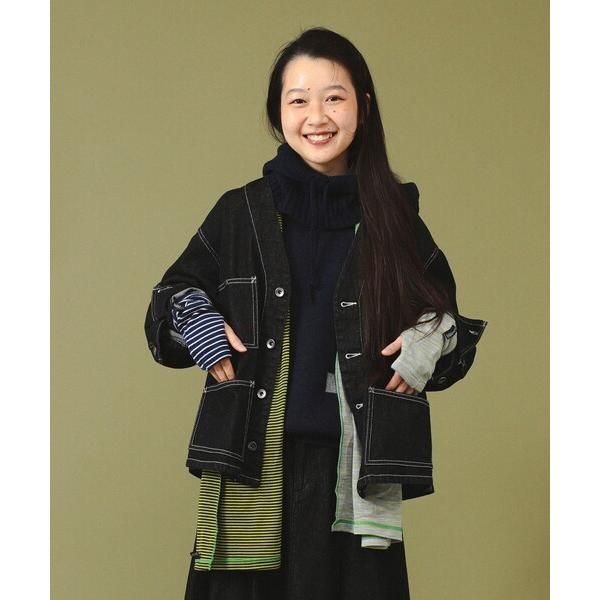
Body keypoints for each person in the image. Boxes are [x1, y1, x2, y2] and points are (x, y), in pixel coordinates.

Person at [144, 27, 487, 600]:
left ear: (363, 107)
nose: (317, 116)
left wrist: (429, 341)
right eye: (298, 99)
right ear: (278, 114)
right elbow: (165, 307)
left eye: (334, 97)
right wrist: (197, 318)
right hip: (251, 463)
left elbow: (452, 332)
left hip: (356, 478)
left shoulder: (396, 221)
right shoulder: (238, 213)